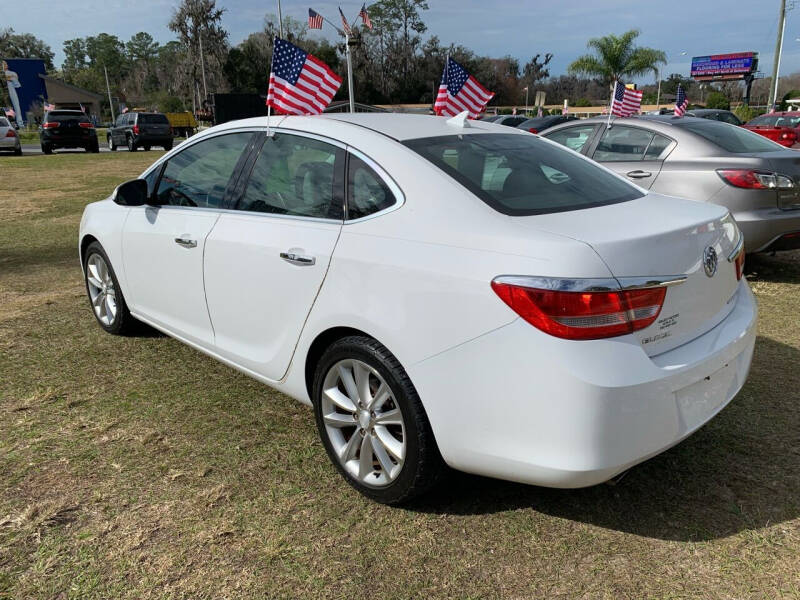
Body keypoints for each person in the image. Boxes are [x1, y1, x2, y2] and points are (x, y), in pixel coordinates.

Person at [2, 60, 24, 128]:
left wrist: (7, 78)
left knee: (16, 107)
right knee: (6, 107)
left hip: (11, 91)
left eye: (5, 64)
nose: (3, 66)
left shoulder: (12, 73)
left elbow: (17, 84)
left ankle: (19, 123)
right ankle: (7, 123)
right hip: (3, 92)